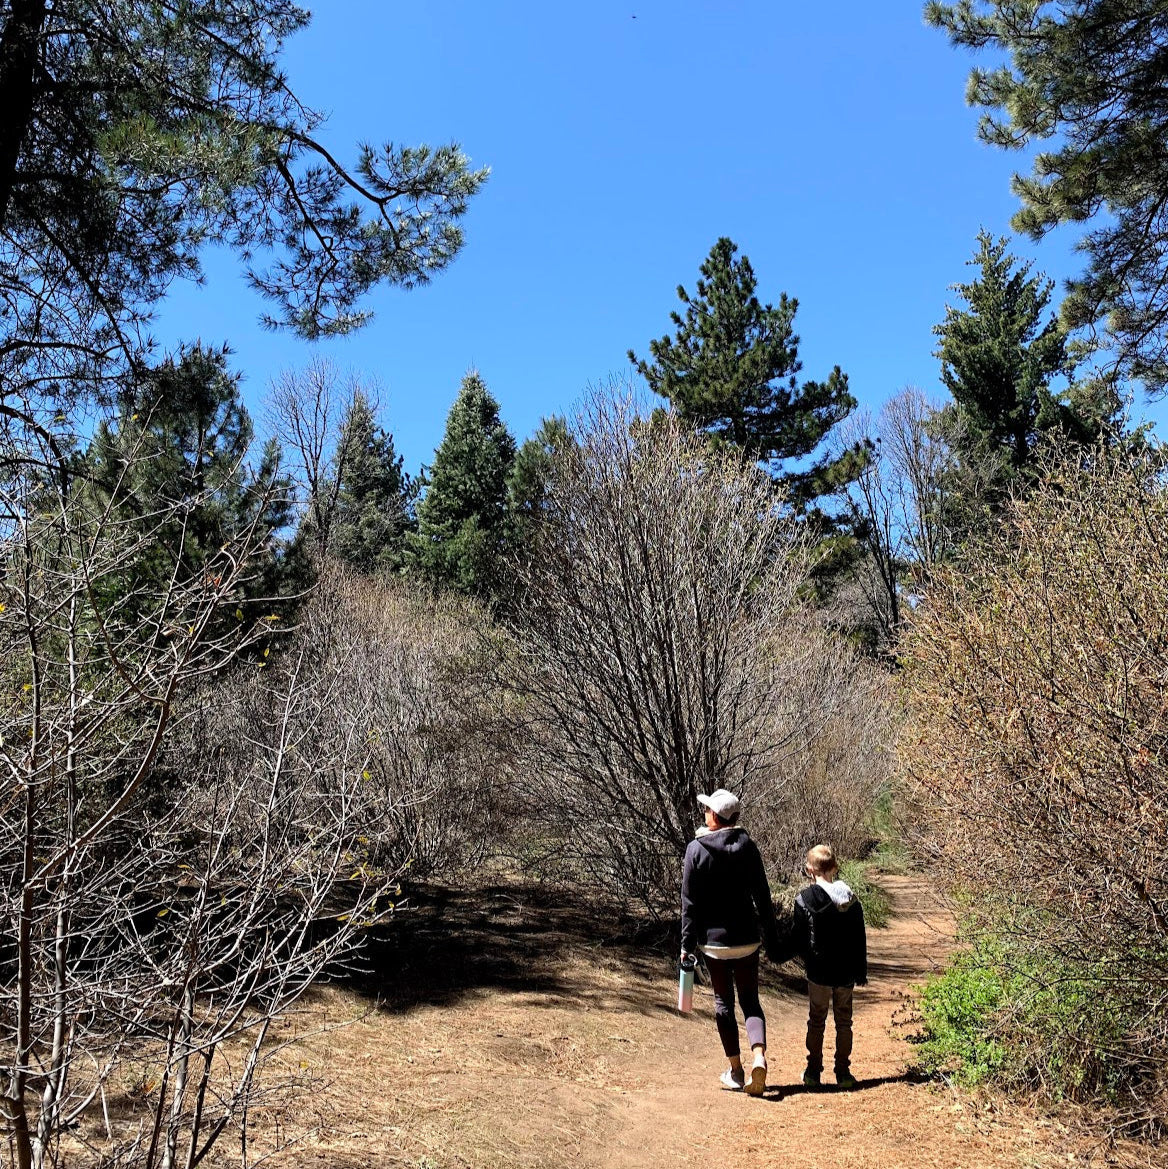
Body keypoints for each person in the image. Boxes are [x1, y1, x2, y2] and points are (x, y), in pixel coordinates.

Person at [680, 788, 780, 1096]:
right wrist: (771, 934)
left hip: (714, 943)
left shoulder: (695, 850)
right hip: (747, 939)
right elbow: (762, 895)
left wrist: (686, 942)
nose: (704, 814)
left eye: (707, 810)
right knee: (750, 1000)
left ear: (715, 816)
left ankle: (736, 1071)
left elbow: (689, 903)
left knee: (723, 1003)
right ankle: (759, 1056)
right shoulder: (747, 846)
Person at [788, 844, 867, 1090]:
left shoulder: (804, 899)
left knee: (817, 1020)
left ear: (809, 869)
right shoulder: (851, 899)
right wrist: (859, 970)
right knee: (844, 1022)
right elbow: (859, 938)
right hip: (845, 971)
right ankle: (843, 1072)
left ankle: (813, 1071)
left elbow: (798, 937)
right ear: (834, 867)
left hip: (819, 971)